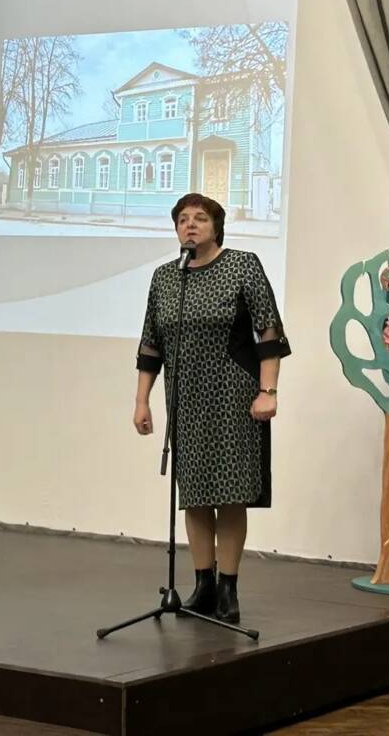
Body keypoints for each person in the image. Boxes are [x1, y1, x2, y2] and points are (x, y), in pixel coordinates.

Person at [133, 193, 290, 624]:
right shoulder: (166, 278)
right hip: (184, 401)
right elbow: (151, 343)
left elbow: (269, 333)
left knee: (231, 493)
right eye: (182, 219)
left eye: (200, 218)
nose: (190, 225)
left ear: (216, 227)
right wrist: (142, 400)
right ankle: (202, 586)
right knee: (195, 495)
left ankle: (228, 589)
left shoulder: (242, 266)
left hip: (234, 398)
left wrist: (269, 392)